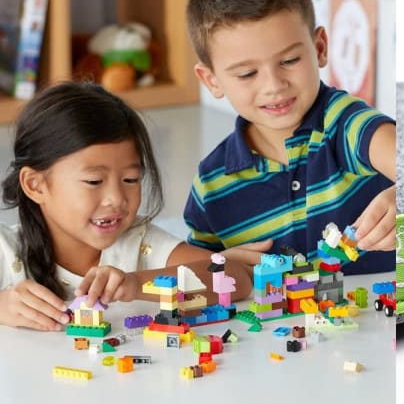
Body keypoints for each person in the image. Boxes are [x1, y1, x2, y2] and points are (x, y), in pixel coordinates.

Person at [0, 81, 268, 332]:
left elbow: (234, 279)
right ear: (36, 185)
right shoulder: (6, 249)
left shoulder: (139, 243)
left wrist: (136, 283)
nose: (117, 198)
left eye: (131, 179)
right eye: (94, 181)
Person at [184, 0, 395, 274]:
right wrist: (219, 267)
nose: (274, 86)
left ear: (320, 47)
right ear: (212, 80)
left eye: (290, 60)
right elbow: (198, 276)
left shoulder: (348, 124)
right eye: (247, 73)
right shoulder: (212, 183)